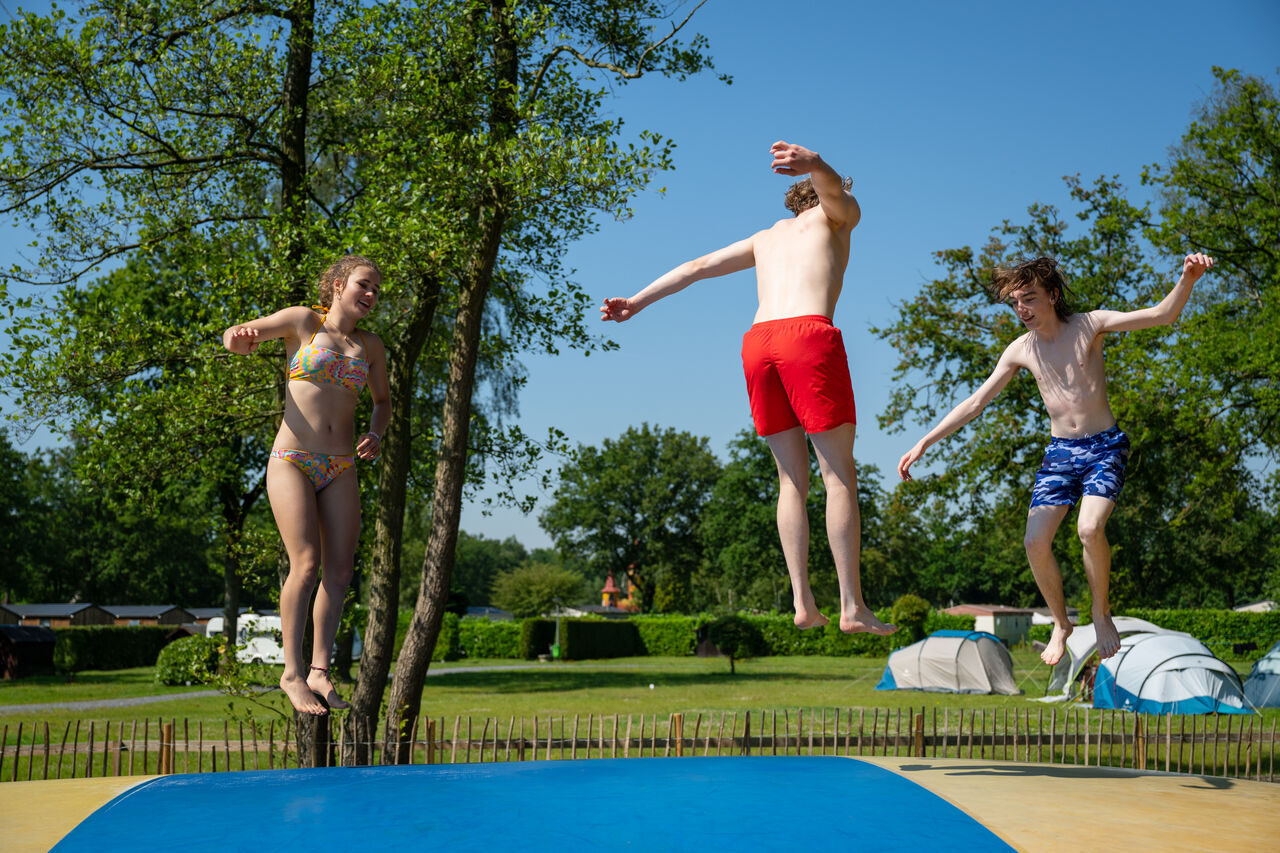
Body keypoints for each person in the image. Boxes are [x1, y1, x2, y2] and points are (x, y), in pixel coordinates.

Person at [601, 141, 896, 636]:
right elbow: (835, 193)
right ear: (825, 193)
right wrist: (821, 166)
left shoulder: (765, 238)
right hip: (807, 337)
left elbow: (696, 267)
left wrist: (636, 302)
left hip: (758, 344)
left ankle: (803, 603)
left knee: (790, 483)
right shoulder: (836, 215)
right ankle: (851, 607)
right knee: (839, 475)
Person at [897, 253, 1214, 666]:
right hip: (1061, 453)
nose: (1021, 310)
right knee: (1034, 541)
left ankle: (1101, 613)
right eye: (1014, 303)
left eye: (1029, 298)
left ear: (1053, 295)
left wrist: (1187, 278)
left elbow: (1161, 315)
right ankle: (1061, 623)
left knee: (1089, 528)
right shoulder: (1021, 349)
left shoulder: (1090, 324)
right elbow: (976, 402)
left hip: (1104, 446)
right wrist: (925, 442)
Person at [222, 255, 390, 714]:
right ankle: (291, 673)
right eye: (364, 284)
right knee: (307, 562)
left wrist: (376, 433)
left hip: (339, 466)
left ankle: (319, 670)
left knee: (340, 571)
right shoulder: (303, 323)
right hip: (292, 460)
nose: (372, 295)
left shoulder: (371, 346)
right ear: (338, 284)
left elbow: (382, 402)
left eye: (377, 289)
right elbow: (238, 335)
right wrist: (238, 342)